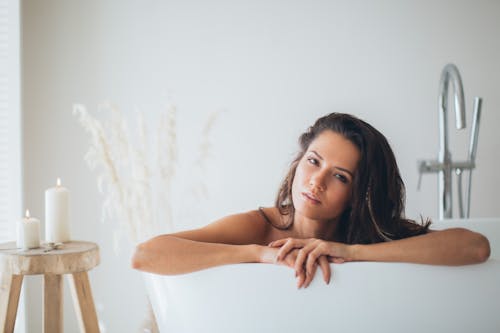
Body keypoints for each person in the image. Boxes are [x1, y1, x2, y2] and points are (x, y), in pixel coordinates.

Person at [132, 113, 490, 288]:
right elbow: (146, 255)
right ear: (298, 162)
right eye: (314, 161)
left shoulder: (366, 235)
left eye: (340, 176)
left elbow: (475, 248)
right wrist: (257, 253)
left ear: (358, 194)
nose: (316, 181)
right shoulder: (261, 226)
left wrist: (353, 252)